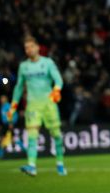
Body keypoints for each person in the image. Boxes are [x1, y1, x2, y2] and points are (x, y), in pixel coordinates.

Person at [7, 35, 66, 176]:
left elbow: (58, 79)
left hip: (48, 104)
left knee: (57, 135)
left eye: (31, 46)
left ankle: (60, 163)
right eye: (26, 48)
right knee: (32, 136)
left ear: (37, 47)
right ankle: (31, 166)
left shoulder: (47, 63)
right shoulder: (23, 66)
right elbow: (19, 87)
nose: (29, 49)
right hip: (32, 105)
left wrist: (57, 90)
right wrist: (13, 106)